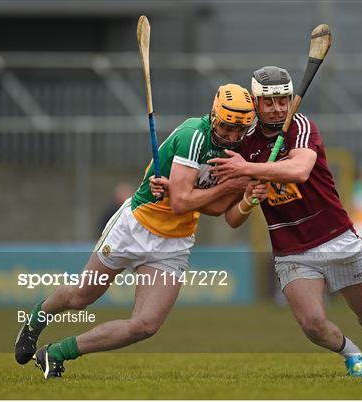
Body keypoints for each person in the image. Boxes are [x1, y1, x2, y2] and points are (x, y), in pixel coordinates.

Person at [15, 83, 267, 379]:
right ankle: (36, 319)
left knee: (145, 325)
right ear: (213, 116)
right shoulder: (193, 136)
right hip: (135, 226)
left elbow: (215, 209)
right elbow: (183, 202)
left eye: (240, 130)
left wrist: (246, 196)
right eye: (227, 128)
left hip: (174, 241)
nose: (233, 136)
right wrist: (229, 185)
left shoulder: (241, 151)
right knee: (81, 296)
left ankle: (56, 352)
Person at [208, 66, 362, 377]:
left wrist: (252, 170)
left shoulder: (301, 126)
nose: (277, 107)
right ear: (255, 102)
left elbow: (299, 171)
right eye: (268, 101)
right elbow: (231, 219)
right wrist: (249, 197)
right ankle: (353, 355)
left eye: (282, 100)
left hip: (334, 235)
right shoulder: (244, 145)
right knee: (312, 324)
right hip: (291, 247)